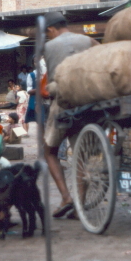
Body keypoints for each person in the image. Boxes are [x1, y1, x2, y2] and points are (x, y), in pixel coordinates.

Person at [41, 11, 99, 219]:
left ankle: (66, 197)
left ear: (50, 29)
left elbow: (51, 79)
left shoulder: (48, 47)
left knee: (49, 151)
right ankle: (79, 207)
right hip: (89, 104)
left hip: (63, 104)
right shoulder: (89, 40)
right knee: (80, 156)